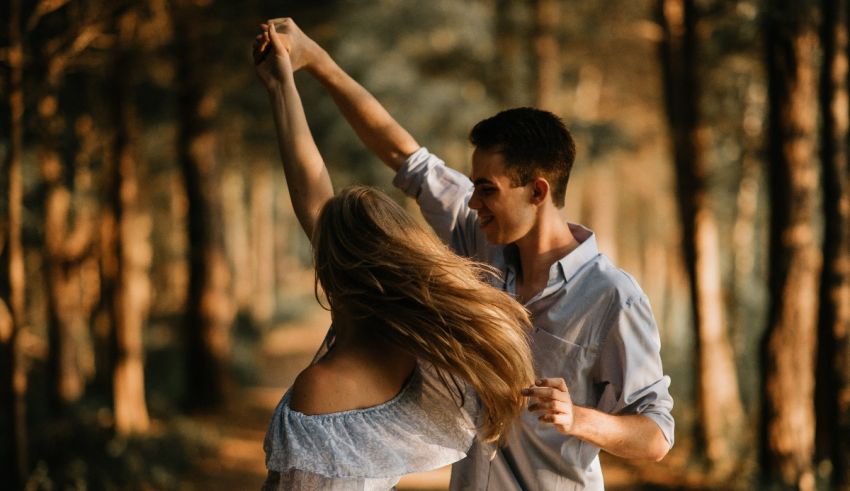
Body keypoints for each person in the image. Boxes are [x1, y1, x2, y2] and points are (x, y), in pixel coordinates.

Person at [266, 17, 676, 490]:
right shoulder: (479, 241)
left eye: (486, 189)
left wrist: (580, 419)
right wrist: (315, 62)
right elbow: (404, 155)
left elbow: (657, 436)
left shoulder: (612, 297)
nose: (472, 202)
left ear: (537, 191)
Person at [253, 22, 537, 491]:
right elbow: (313, 193)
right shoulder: (424, 364)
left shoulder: (321, 389)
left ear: (335, 266)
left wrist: (290, 79)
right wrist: (283, 85)